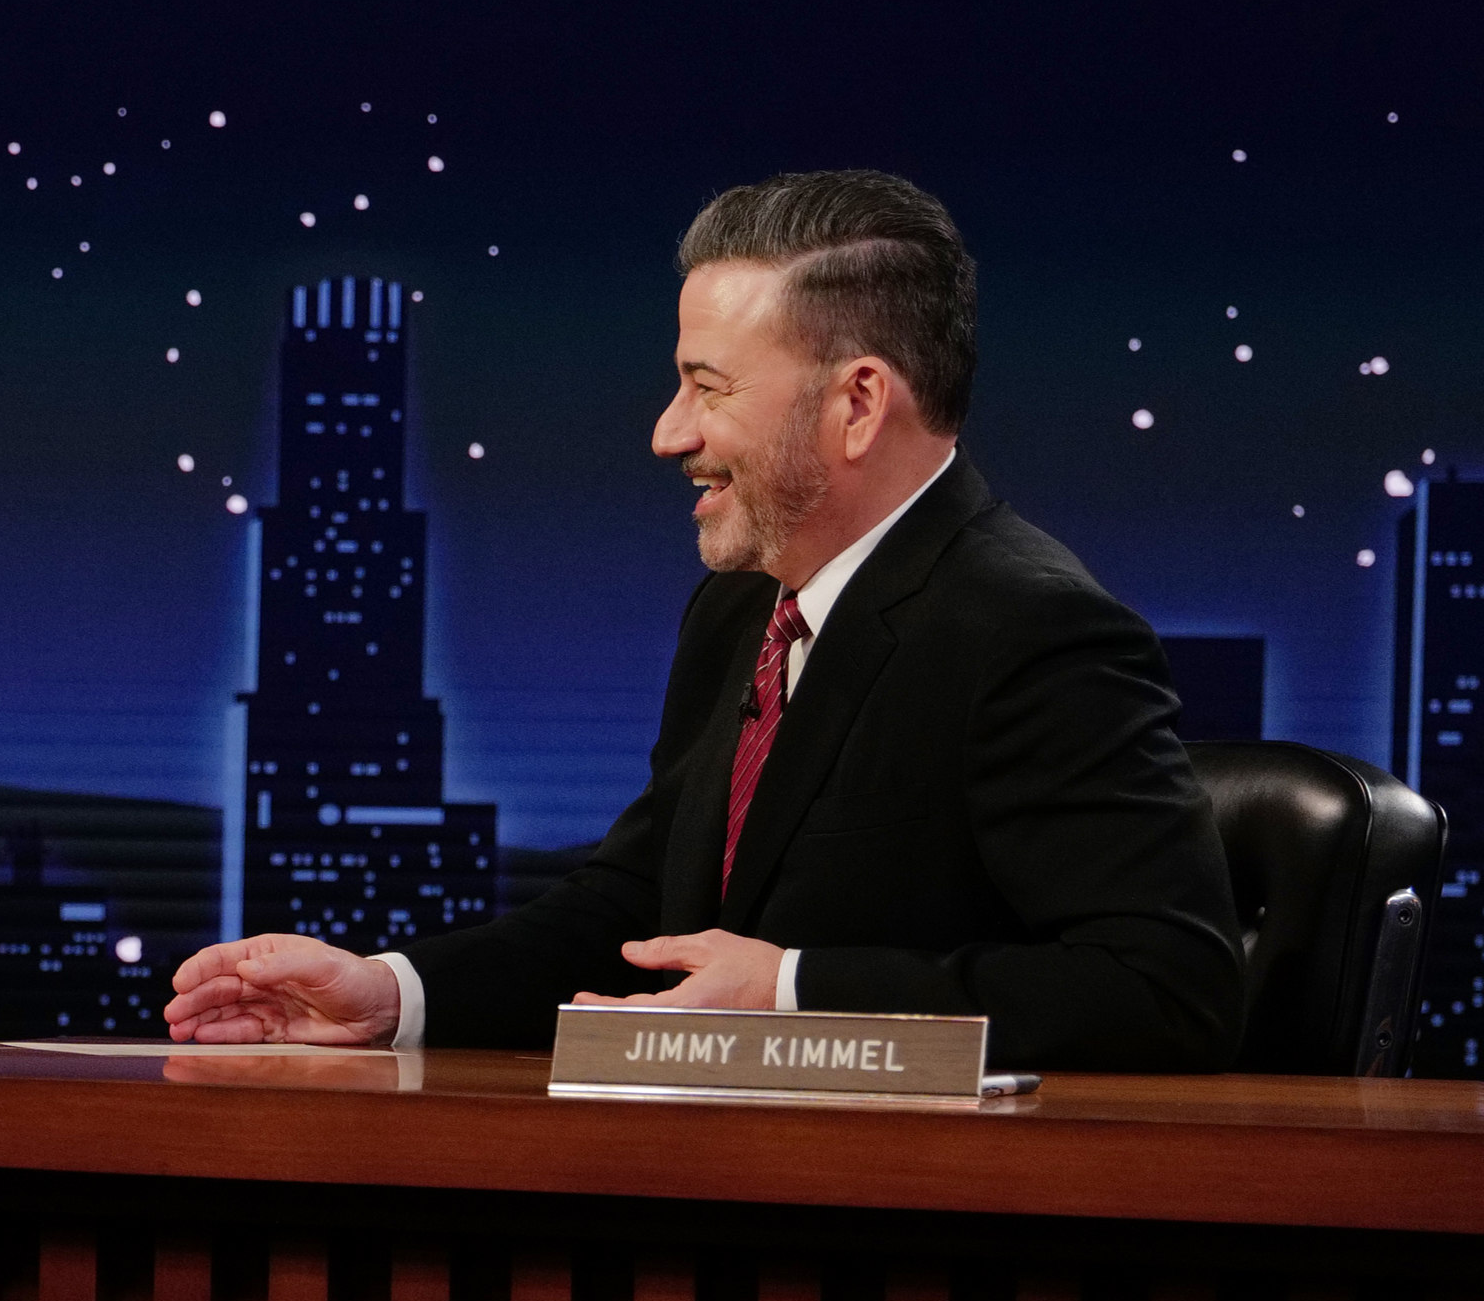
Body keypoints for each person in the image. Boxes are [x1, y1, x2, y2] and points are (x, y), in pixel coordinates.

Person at [167, 170, 1247, 1072]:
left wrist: (789, 990)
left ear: (858, 404)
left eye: (708, 387)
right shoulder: (739, 611)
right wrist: (391, 995)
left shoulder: (1033, 631)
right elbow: (638, 911)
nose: (667, 432)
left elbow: (1168, 990)